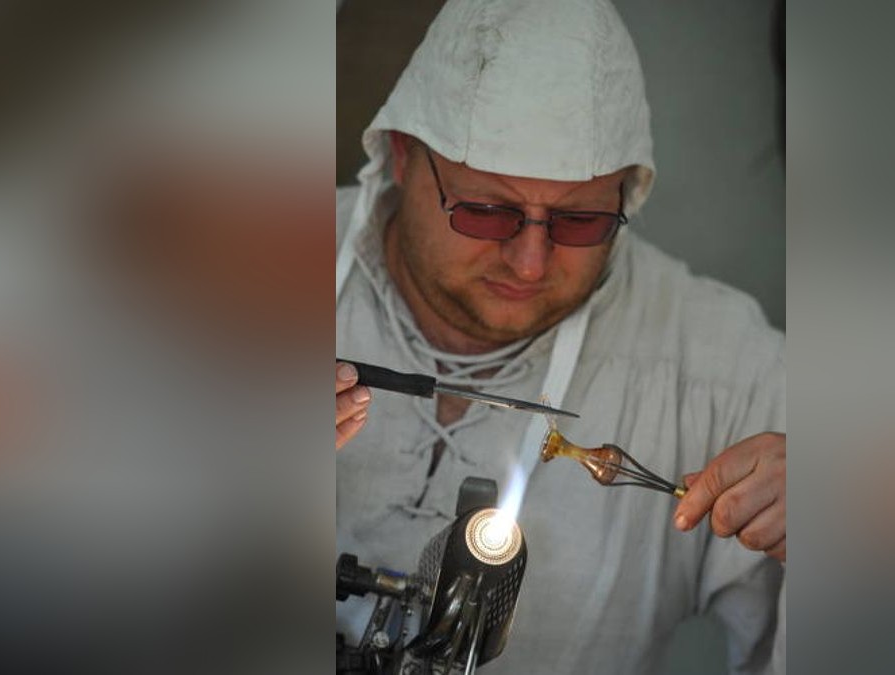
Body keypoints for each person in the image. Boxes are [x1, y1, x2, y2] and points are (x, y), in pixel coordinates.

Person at [335, 1, 784, 672]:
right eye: (487, 211)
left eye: (580, 221)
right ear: (403, 154)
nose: (530, 262)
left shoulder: (725, 372)